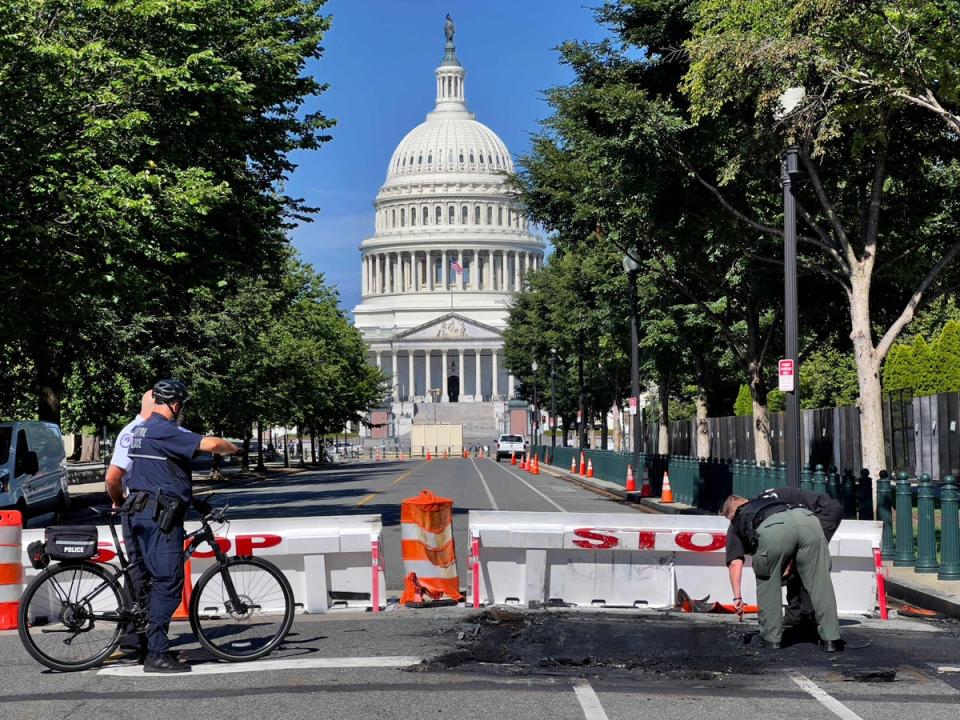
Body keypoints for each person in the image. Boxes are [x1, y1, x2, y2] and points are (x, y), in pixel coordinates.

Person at [123, 379, 239, 673]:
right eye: (181, 405)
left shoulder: (140, 430)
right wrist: (235, 449)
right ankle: (157, 655)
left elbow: (162, 470)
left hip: (137, 510)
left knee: (148, 581)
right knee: (169, 582)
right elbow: (212, 444)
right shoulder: (165, 430)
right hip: (158, 518)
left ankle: (143, 642)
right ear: (175, 404)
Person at [721, 493, 842, 652]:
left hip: (774, 527)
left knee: (768, 581)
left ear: (732, 512)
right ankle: (831, 638)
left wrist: (737, 596)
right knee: (820, 582)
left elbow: (735, 563)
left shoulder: (738, 518)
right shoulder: (767, 499)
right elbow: (792, 533)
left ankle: (770, 638)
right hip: (808, 519)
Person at [754, 487, 843, 637]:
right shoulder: (766, 500)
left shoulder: (764, 509)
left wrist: (786, 564)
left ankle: (802, 614)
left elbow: (785, 535)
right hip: (820, 511)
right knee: (801, 559)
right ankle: (799, 613)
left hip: (824, 512)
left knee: (807, 562)